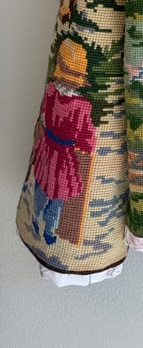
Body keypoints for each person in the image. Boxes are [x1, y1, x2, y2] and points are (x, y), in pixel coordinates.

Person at [31, 38, 97, 246]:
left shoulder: (53, 91)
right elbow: (88, 138)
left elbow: (45, 116)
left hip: (49, 149)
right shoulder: (81, 105)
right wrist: (86, 146)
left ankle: (38, 219)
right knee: (56, 194)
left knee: (45, 187)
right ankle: (48, 228)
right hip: (63, 155)